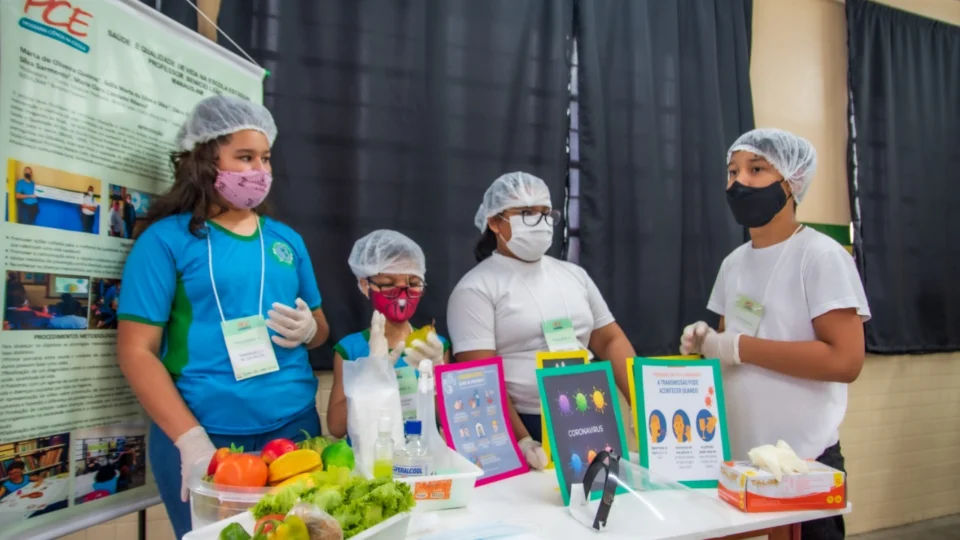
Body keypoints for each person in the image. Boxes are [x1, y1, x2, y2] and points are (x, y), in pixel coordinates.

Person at [116, 95, 330, 539]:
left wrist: (310, 329)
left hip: (295, 428)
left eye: (266, 159)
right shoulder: (165, 242)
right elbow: (137, 352)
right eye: (245, 158)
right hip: (204, 433)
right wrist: (191, 442)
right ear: (206, 161)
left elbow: (321, 329)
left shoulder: (286, 240)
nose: (259, 171)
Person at [679, 128, 869, 540]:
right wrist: (705, 343)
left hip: (804, 458)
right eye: (732, 171)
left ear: (792, 181)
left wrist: (739, 347)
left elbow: (845, 360)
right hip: (743, 457)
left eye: (756, 169)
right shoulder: (734, 263)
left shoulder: (820, 256)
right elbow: (732, 342)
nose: (738, 182)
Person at [447, 172, 637, 470]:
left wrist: (641, 404)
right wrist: (522, 440)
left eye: (545, 213)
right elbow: (479, 375)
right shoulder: (476, 288)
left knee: (601, 503)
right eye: (526, 213)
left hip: (591, 414)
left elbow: (610, 340)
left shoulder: (574, 276)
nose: (540, 221)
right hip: (526, 423)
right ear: (495, 222)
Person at [326, 230, 449, 438]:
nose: (402, 295)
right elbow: (336, 427)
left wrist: (437, 381)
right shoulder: (350, 349)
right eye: (389, 284)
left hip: (420, 457)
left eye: (412, 283)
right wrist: (370, 374)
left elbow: (448, 420)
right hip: (369, 457)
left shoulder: (433, 346)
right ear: (365, 285)